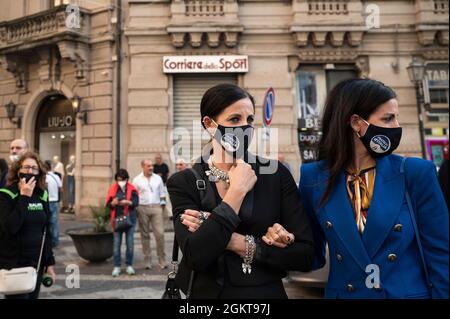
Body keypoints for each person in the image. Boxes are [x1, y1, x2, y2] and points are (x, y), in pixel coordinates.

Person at [299, 78, 449, 299]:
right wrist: (283, 238)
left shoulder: (416, 173)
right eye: (388, 118)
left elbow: (441, 254)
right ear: (357, 124)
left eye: (397, 117)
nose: (397, 126)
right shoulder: (314, 177)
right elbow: (312, 254)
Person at [166, 83, 315, 299]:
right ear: (209, 124)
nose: (245, 127)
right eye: (235, 119)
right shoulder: (184, 182)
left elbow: (304, 255)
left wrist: (235, 240)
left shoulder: (275, 175)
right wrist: (236, 192)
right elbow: (195, 255)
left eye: (250, 120)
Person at [0, 152, 57, 299]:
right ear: (18, 170)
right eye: (26, 168)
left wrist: (49, 262)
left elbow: (46, 231)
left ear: (39, 172)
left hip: (36, 264)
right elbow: (10, 227)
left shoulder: (41, 195)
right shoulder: (7, 194)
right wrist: (24, 197)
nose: (30, 171)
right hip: (14, 264)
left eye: (34, 168)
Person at [132, 159, 167, 269]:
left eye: (152, 165)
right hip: (142, 208)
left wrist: (162, 206)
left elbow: (162, 193)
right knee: (145, 235)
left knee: (160, 234)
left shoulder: (158, 178)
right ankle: (147, 260)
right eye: (148, 166)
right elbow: (134, 196)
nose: (151, 167)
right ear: (143, 166)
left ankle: (162, 259)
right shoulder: (137, 180)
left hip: (156, 207)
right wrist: (136, 208)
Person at [106, 169, 139, 277]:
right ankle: (117, 266)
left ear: (127, 179)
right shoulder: (113, 189)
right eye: (119, 179)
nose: (121, 181)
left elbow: (136, 202)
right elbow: (108, 205)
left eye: (123, 179)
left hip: (130, 220)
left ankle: (129, 265)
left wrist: (128, 202)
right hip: (117, 221)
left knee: (130, 244)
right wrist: (113, 203)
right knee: (116, 245)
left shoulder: (132, 189)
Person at [44, 160, 62, 248]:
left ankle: (48, 241)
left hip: (46, 202)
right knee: (54, 222)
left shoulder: (44, 177)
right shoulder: (56, 177)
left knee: (46, 222)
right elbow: (60, 189)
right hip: (55, 201)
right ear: (51, 167)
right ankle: (55, 241)